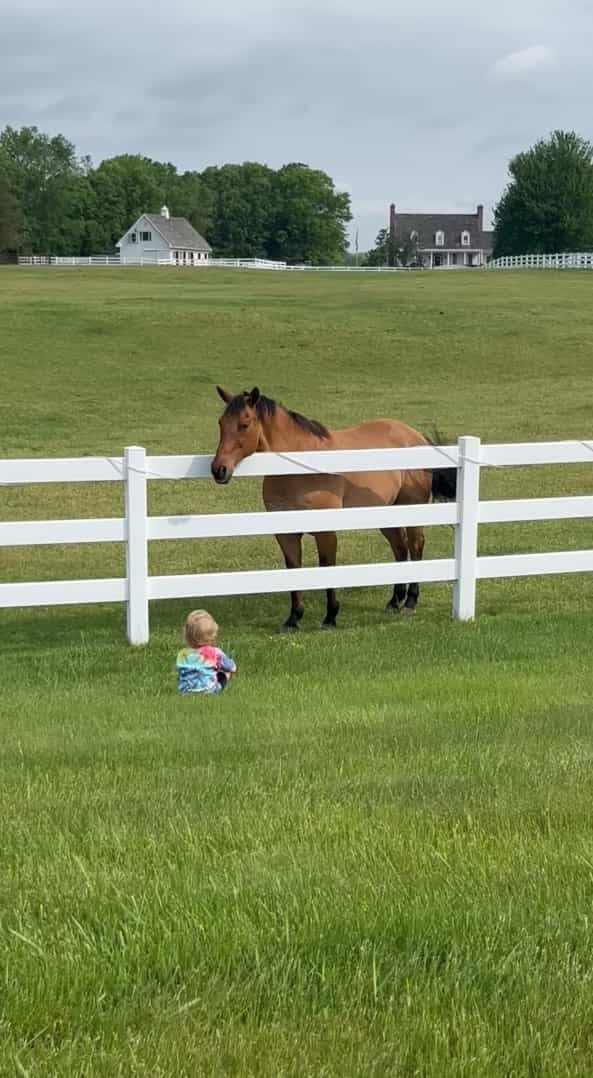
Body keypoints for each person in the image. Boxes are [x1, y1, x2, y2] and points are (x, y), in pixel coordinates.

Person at [176, 610, 237, 695]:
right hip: (208, 690)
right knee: (225, 672)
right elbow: (231, 667)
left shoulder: (182, 654)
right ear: (212, 636)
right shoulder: (215, 652)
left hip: (185, 692)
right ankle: (213, 690)